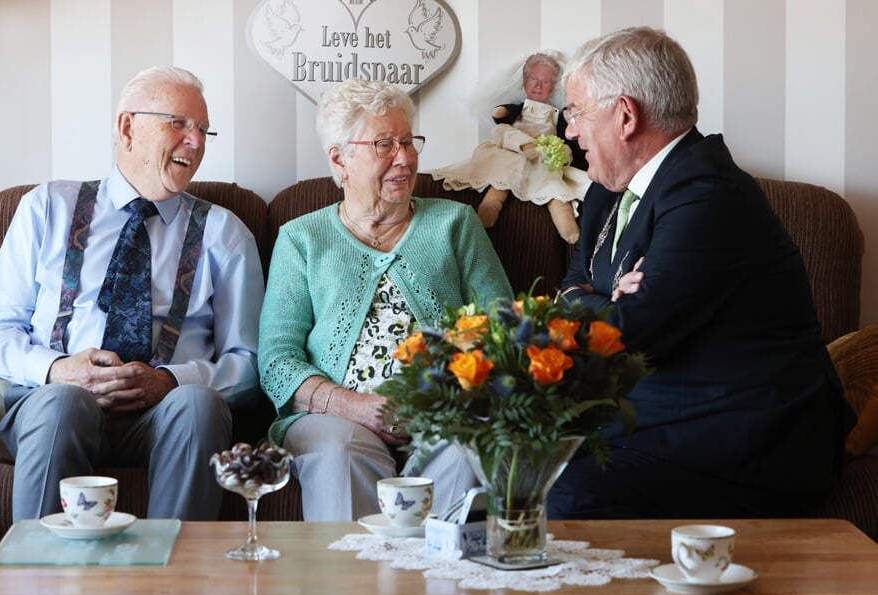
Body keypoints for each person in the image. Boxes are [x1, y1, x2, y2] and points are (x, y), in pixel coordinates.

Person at [553, 27, 854, 519]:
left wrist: (600, 303)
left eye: (577, 113)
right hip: (662, 419)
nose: (570, 131)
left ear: (625, 115)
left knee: (563, 494)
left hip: (749, 437)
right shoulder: (606, 191)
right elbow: (572, 286)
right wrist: (599, 300)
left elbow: (632, 333)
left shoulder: (708, 194)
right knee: (507, 464)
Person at [0, 66, 265, 522]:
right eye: (179, 123)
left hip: (164, 420)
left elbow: (248, 362)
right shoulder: (47, 207)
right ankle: (42, 584)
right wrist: (56, 370)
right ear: (128, 127)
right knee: (63, 402)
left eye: (204, 130)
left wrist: (170, 380)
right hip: (51, 410)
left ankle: (173, 583)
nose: (196, 141)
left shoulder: (225, 234)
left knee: (196, 404)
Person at [258, 78, 513, 521]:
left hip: (445, 408)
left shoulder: (455, 223)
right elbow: (277, 358)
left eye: (409, 142)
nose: (406, 157)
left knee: (471, 443)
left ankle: (439, 581)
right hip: (335, 415)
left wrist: (446, 398)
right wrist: (355, 407)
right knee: (339, 449)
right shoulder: (301, 238)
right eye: (384, 144)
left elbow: (503, 327)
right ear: (340, 158)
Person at [431, 52, 590, 237]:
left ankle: (568, 227)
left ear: (553, 87)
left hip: (542, 156)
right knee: (504, 140)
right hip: (513, 152)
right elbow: (499, 115)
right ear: (524, 81)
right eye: (533, 78)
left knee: (554, 185)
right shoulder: (519, 110)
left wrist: (558, 151)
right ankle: (487, 213)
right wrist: (506, 119)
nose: (538, 85)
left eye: (546, 82)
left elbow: (567, 138)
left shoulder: (557, 115)